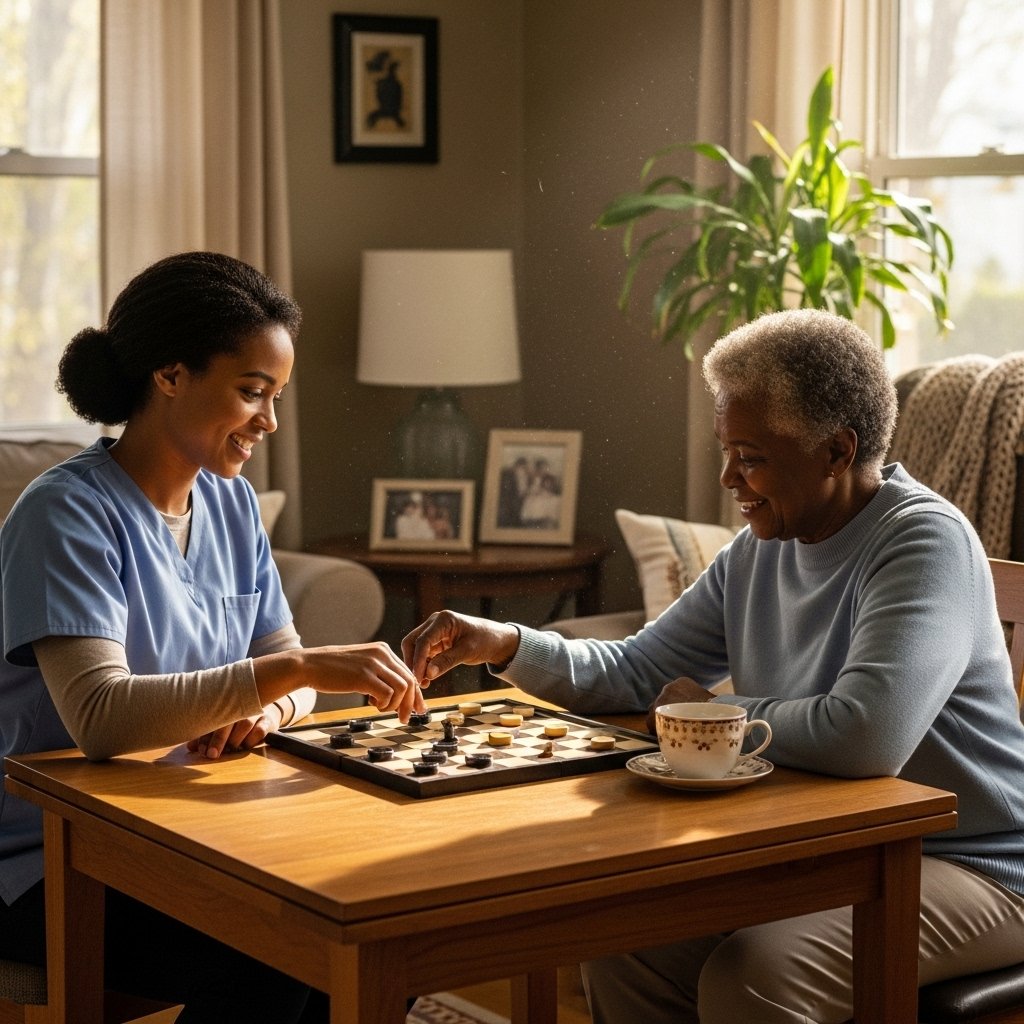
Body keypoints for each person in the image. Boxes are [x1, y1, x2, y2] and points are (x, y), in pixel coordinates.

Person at [402, 309, 1024, 1024]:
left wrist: (716, 715)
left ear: (836, 451)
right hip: (837, 846)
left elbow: (865, 735)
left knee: (756, 974)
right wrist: (504, 642)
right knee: (624, 940)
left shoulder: (923, 541)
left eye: (751, 455)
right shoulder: (761, 547)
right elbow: (638, 670)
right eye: (728, 451)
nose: (729, 477)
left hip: (974, 865)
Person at [0, 251, 424, 1023]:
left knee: (379, 928)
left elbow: (281, 684)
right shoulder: (63, 515)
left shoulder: (229, 504)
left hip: (199, 833)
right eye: (252, 392)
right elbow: (102, 719)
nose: (267, 421)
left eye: (275, 397)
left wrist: (270, 709)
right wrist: (290, 674)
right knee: (280, 948)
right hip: (52, 861)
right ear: (171, 375)